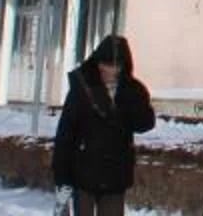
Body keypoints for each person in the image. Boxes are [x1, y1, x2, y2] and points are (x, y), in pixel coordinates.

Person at [48, 33, 156, 216]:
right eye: (105, 64)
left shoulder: (132, 90)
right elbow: (66, 134)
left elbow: (145, 123)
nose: (109, 71)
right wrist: (62, 177)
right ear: (97, 63)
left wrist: (131, 101)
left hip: (115, 174)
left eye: (115, 66)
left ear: (123, 66)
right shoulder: (83, 88)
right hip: (84, 173)